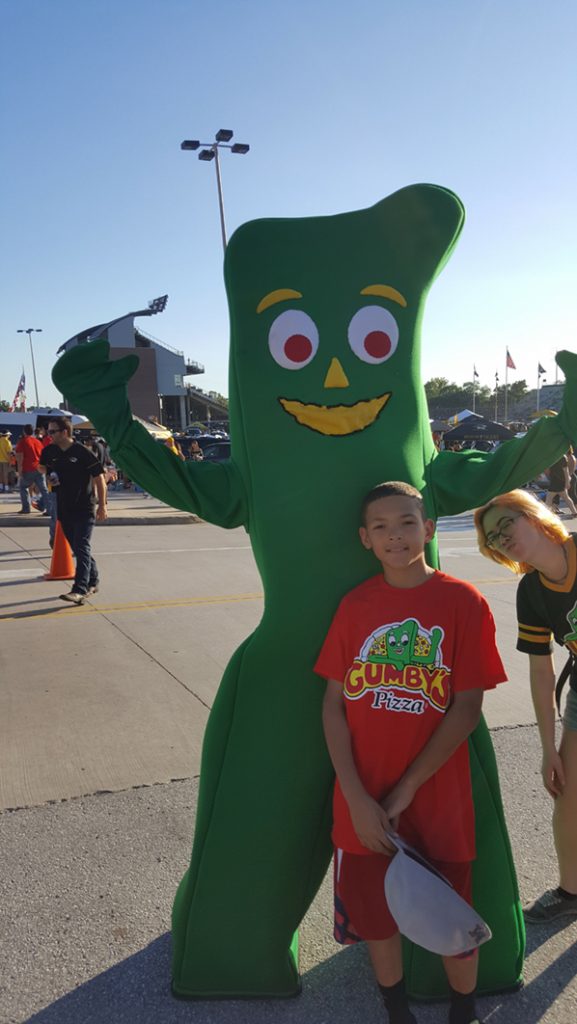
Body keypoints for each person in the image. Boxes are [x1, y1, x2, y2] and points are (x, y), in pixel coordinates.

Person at [315, 481, 506, 1024]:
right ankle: (396, 1011)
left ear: (428, 529)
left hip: (439, 797)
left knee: (451, 917)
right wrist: (356, 797)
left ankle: (463, 1011)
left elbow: (466, 708)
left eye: (406, 522)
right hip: (363, 798)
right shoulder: (355, 606)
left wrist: (407, 788)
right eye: (381, 527)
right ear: (365, 538)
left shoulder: (463, 602)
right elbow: (332, 705)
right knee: (377, 920)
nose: (394, 535)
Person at [474, 489, 577, 924]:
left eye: (506, 524)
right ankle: (571, 891)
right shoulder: (531, 592)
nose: (503, 538)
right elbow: (540, 670)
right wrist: (548, 748)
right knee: (568, 792)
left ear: (532, 515)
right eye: (494, 538)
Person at [39, 417, 107, 604]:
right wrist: (48, 475)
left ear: (64, 432)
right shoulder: (49, 451)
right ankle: (93, 581)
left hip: (84, 506)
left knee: (82, 546)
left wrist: (102, 505)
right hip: (64, 507)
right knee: (78, 548)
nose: (49, 435)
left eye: (52, 431)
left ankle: (79, 589)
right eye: (48, 431)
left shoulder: (82, 452)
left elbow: (99, 478)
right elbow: (42, 467)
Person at [15, 424, 49, 514]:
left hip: (28, 469)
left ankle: (26, 508)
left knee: (23, 487)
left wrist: (19, 471)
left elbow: (20, 457)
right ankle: (49, 509)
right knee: (44, 489)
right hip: (39, 468)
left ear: (24, 431)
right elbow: (43, 455)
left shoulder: (22, 442)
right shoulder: (37, 441)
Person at [544, 452, 577, 516]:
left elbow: (566, 470)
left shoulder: (561, 458)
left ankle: (545, 514)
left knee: (549, 499)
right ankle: (574, 513)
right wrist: (567, 481)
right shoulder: (558, 457)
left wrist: (567, 482)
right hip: (557, 481)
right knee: (566, 498)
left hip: (557, 481)